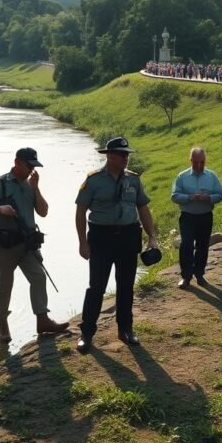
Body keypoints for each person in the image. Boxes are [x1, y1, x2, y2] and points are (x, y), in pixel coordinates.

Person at [75, 137, 158, 354]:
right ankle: (87, 333)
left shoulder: (134, 180)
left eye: (127, 154)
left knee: (126, 285)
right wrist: (82, 242)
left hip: (128, 236)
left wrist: (152, 236)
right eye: (122, 154)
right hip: (101, 237)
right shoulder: (93, 181)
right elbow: (80, 210)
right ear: (109, 156)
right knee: (97, 286)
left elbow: (143, 209)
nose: (126, 158)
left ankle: (125, 329)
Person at [0, 148, 69, 342]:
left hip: (28, 243)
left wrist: (36, 188)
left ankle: (43, 320)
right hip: (6, 244)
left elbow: (43, 211)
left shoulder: (31, 185)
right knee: (5, 285)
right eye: (29, 166)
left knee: (38, 277)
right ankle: (2, 325)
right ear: (17, 162)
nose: (31, 170)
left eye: (34, 167)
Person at [171, 147, 222, 288]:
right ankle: (186, 276)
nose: (199, 165)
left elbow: (220, 195)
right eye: (196, 162)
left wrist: (209, 198)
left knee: (203, 245)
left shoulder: (212, 176)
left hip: (205, 216)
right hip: (188, 216)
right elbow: (174, 196)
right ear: (191, 160)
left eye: (202, 162)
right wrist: (190, 197)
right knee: (186, 244)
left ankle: (199, 274)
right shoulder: (182, 176)